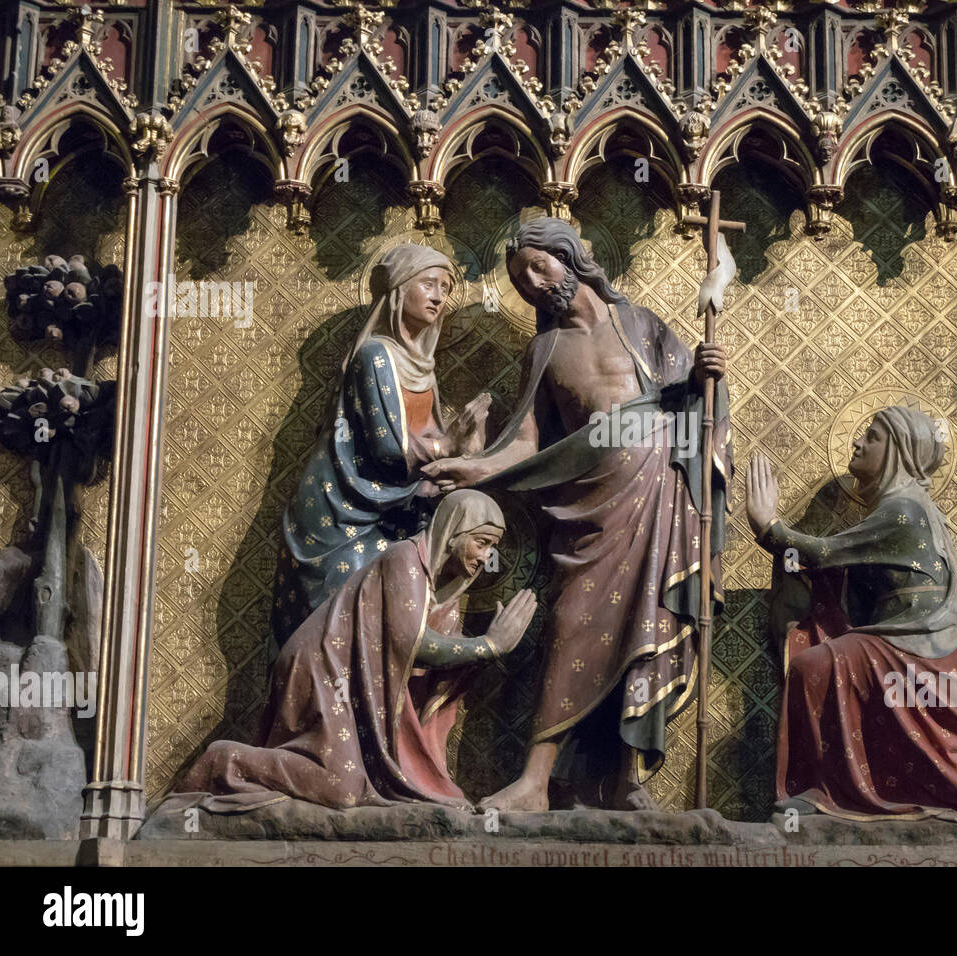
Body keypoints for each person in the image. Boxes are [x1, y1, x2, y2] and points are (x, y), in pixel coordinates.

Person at [424, 218, 732, 811]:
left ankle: (627, 781)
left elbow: (696, 411)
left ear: (570, 258)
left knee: (649, 625)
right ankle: (536, 781)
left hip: (660, 494)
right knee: (572, 624)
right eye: (521, 281)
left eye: (540, 267)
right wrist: (473, 469)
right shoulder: (544, 351)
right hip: (591, 508)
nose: (535, 285)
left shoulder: (639, 324)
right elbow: (528, 443)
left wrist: (702, 378)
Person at [745, 405, 957, 820]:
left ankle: (827, 793)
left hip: (915, 648)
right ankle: (845, 788)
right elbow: (848, 576)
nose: (858, 442)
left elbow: (825, 553)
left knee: (813, 666)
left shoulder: (904, 509)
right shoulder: (906, 508)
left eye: (872, 436)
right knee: (821, 664)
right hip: (904, 642)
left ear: (898, 450)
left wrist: (768, 526)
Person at [177, 490, 537, 811]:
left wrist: (481, 651)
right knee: (343, 787)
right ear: (454, 531)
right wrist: (487, 645)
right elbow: (413, 645)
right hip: (322, 667)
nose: (486, 557)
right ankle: (224, 760)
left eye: (492, 548)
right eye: (482, 542)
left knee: (349, 786)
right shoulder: (406, 560)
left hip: (350, 684)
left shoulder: (444, 592)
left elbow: (429, 673)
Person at [272, 244, 490, 643]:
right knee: (345, 629)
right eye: (428, 284)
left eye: (446, 288)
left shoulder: (424, 367)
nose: (439, 297)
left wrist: (468, 448)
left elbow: (432, 445)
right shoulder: (375, 356)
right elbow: (388, 453)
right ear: (399, 289)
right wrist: (450, 445)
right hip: (344, 514)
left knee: (394, 626)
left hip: (397, 513)